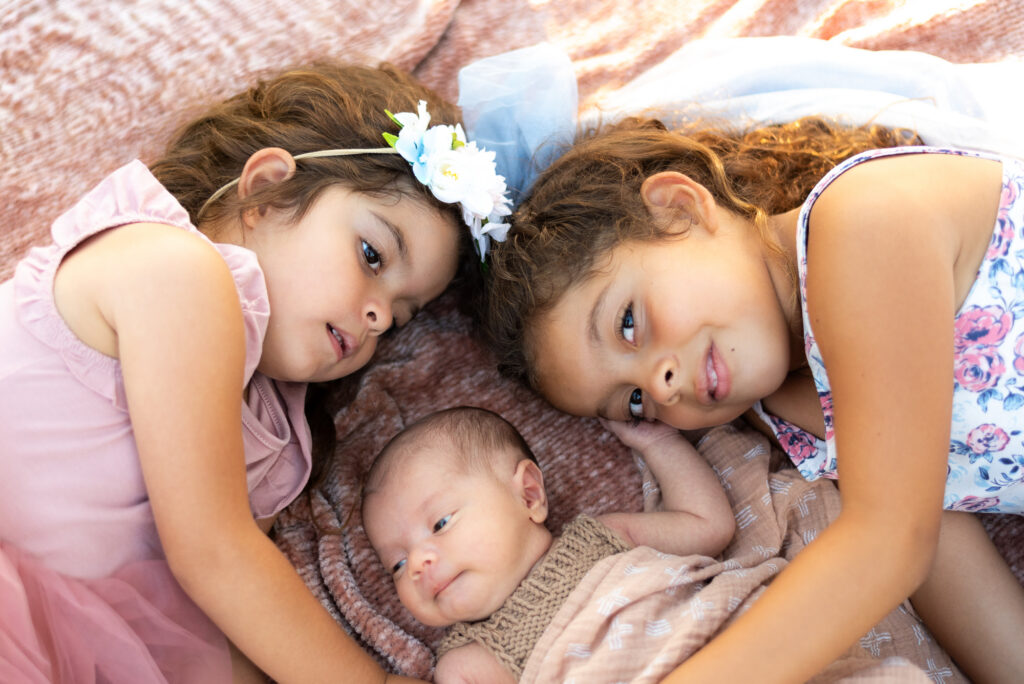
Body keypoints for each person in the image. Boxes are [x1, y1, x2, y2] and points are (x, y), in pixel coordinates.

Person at [0, 60, 512, 684]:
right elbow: (214, 556)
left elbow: (214, 622)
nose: (378, 316)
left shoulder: (276, 431)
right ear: (266, 193)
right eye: (372, 255)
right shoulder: (172, 268)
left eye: (400, 319)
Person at [481, 116, 1024, 683]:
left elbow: (892, 541)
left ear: (679, 210)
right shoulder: (778, 412)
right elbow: (938, 544)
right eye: (635, 402)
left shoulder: (863, 223)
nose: (662, 385)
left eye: (628, 322)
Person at [360, 406, 735, 683]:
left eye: (441, 523)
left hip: (739, 651)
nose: (416, 564)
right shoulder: (467, 666)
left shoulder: (601, 539)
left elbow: (708, 524)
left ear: (528, 495)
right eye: (396, 564)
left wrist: (658, 442)